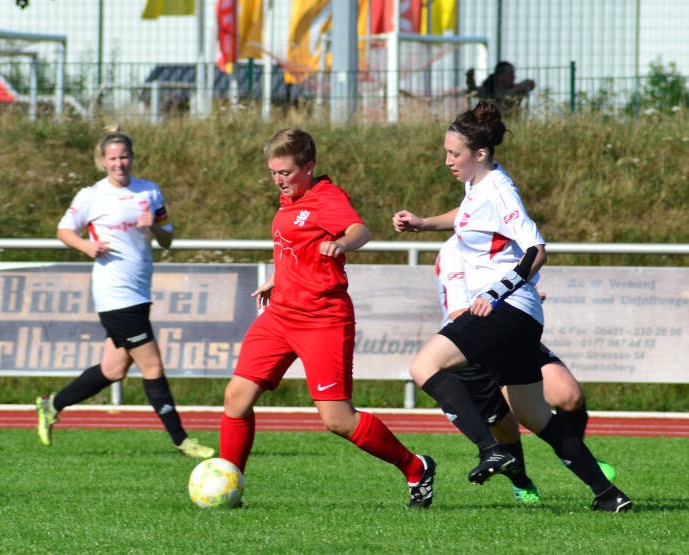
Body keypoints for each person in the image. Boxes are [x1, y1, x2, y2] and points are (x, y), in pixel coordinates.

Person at [393, 101, 631, 512]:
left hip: (505, 310)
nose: (447, 160)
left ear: (480, 154)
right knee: (536, 416)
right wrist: (423, 223)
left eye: (455, 154)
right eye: (447, 152)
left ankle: (491, 449)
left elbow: (537, 249)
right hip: (519, 316)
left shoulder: (500, 191)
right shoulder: (478, 186)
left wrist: (493, 292)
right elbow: (467, 216)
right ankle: (609, 495)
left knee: (424, 367)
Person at [218, 128, 436, 508]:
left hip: (322, 318)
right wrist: (277, 277)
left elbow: (360, 229)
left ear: (308, 167)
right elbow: (294, 245)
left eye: (285, 172)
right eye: (272, 172)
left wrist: (342, 243)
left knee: (337, 419)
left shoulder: (326, 197)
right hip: (281, 314)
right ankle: (228, 486)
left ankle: (415, 466)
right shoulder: (290, 198)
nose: (278, 180)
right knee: (236, 396)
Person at [36, 126, 215, 460]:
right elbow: (64, 229)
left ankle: (52, 405)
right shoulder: (92, 195)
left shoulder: (149, 191)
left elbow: (167, 239)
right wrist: (86, 245)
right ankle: (181, 440)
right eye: (113, 158)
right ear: (103, 161)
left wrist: (155, 227)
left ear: (132, 158)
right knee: (152, 365)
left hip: (140, 290)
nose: (119, 163)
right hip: (114, 293)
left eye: (124, 157)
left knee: (113, 370)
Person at [435, 233, 617, 501]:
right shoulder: (456, 249)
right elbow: (458, 313)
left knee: (569, 396)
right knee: (505, 425)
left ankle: (574, 455)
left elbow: (522, 277)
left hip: (516, 335)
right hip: (478, 344)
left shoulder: (517, 238)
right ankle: (522, 483)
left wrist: (524, 302)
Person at [466, 61, 535, 114]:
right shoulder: (488, 90)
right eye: (510, 74)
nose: (514, 77)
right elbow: (473, 90)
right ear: (499, 76)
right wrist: (470, 79)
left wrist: (510, 93)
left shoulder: (515, 88)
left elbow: (531, 83)